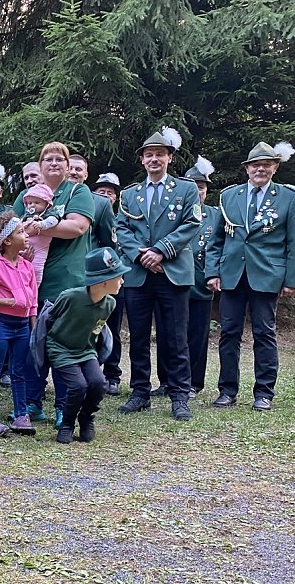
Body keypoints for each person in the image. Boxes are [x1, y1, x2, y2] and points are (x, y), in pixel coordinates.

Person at [205, 141, 295, 411]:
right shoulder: (229, 196)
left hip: (267, 275)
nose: (260, 168)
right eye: (255, 164)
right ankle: (227, 391)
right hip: (232, 275)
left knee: (264, 334)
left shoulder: (288, 197)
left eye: (266, 164)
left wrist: (292, 279)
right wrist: (212, 272)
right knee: (228, 334)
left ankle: (264, 393)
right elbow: (216, 239)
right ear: (247, 169)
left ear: (275, 167)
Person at [116, 128, 201, 421]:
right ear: (142, 160)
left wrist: (162, 250)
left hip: (172, 272)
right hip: (139, 274)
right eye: (149, 155)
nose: (154, 159)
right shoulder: (129, 194)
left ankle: (179, 395)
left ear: (169, 158)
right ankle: (140, 392)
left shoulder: (186, 189)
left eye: (159, 154)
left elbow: (191, 224)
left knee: (176, 337)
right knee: (138, 336)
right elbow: (121, 229)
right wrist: (143, 255)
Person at [20, 143, 95, 427]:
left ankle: (65, 406)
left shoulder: (78, 192)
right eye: (47, 159)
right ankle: (32, 402)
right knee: (33, 344)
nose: (53, 163)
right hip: (30, 284)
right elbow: (14, 229)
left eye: (59, 159)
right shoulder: (27, 195)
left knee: (66, 346)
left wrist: (37, 227)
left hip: (68, 282)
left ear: (67, 165)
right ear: (39, 166)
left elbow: (76, 227)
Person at [45, 248, 130, 444]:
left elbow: (97, 330)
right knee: (78, 386)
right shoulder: (70, 297)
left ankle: (86, 418)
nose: (122, 281)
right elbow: (50, 319)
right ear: (105, 281)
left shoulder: (110, 304)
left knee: (98, 383)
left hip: (86, 351)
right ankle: (67, 424)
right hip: (61, 349)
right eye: (119, 277)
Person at [0, 213, 38, 437]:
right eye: (21, 231)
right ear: (7, 241)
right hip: (0, 324)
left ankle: (22, 415)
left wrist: (34, 327)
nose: (26, 234)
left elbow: (33, 301)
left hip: (22, 326)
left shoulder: (27, 267)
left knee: (18, 371)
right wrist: (4, 302)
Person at [178, 156, 219, 398]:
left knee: (198, 335)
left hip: (202, 283)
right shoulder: (174, 212)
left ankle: (194, 382)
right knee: (171, 334)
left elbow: (219, 247)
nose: (197, 191)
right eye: (192, 186)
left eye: (201, 187)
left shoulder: (215, 215)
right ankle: (168, 380)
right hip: (175, 283)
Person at [89, 172, 126, 395]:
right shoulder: (88, 214)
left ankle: (112, 375)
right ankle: (91, 372)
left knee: (112, 327)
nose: (105, 195)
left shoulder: (125, 217)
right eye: (101, 191)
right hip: (93, 279)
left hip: (116, 281)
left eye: (110, 192)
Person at [68, 154, 116, 250]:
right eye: (69, 168)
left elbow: (108, 244)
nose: (73, 172)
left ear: (86, 175)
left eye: (78, 169)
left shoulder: (101, 203)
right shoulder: (49, 198)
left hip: (85, 260)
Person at [21, 183, 58, 287]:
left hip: (40, 248)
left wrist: (42, 225)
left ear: (46, 204)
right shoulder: (26, 216)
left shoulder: (49, 214)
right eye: (29, 203)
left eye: (36, 202)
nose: (32, 205)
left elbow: (54, 220)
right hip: (25, 247)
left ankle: (34, 289)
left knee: (36, 269)